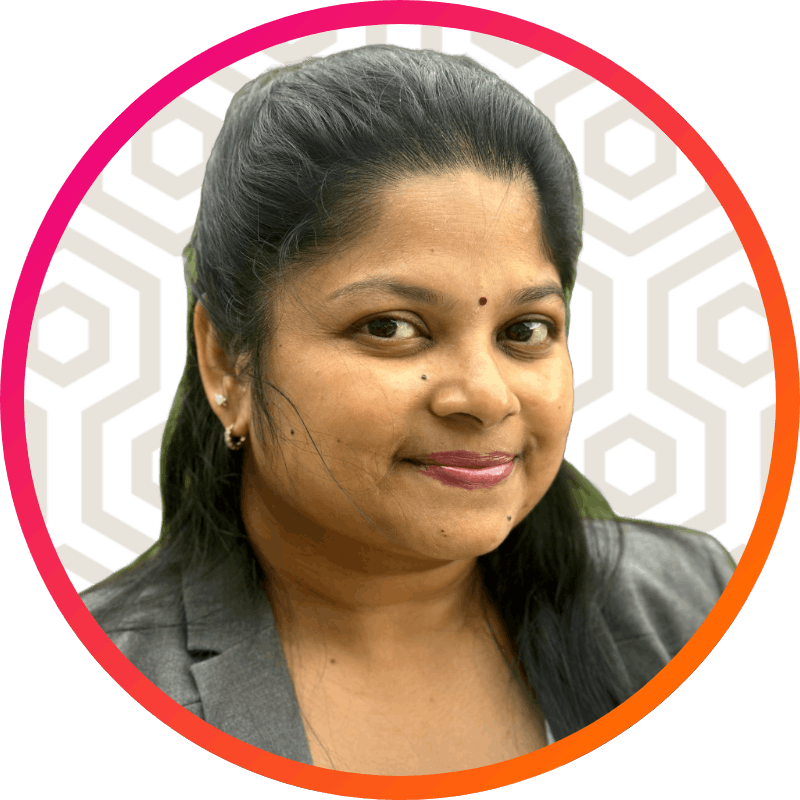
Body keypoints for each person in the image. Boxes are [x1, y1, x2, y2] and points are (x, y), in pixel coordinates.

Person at [82, 45, 734, 776]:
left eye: (525, 330)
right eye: (390, 327)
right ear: (227, 360)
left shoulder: (689, 605)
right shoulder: (92, 693)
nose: (485, 396)